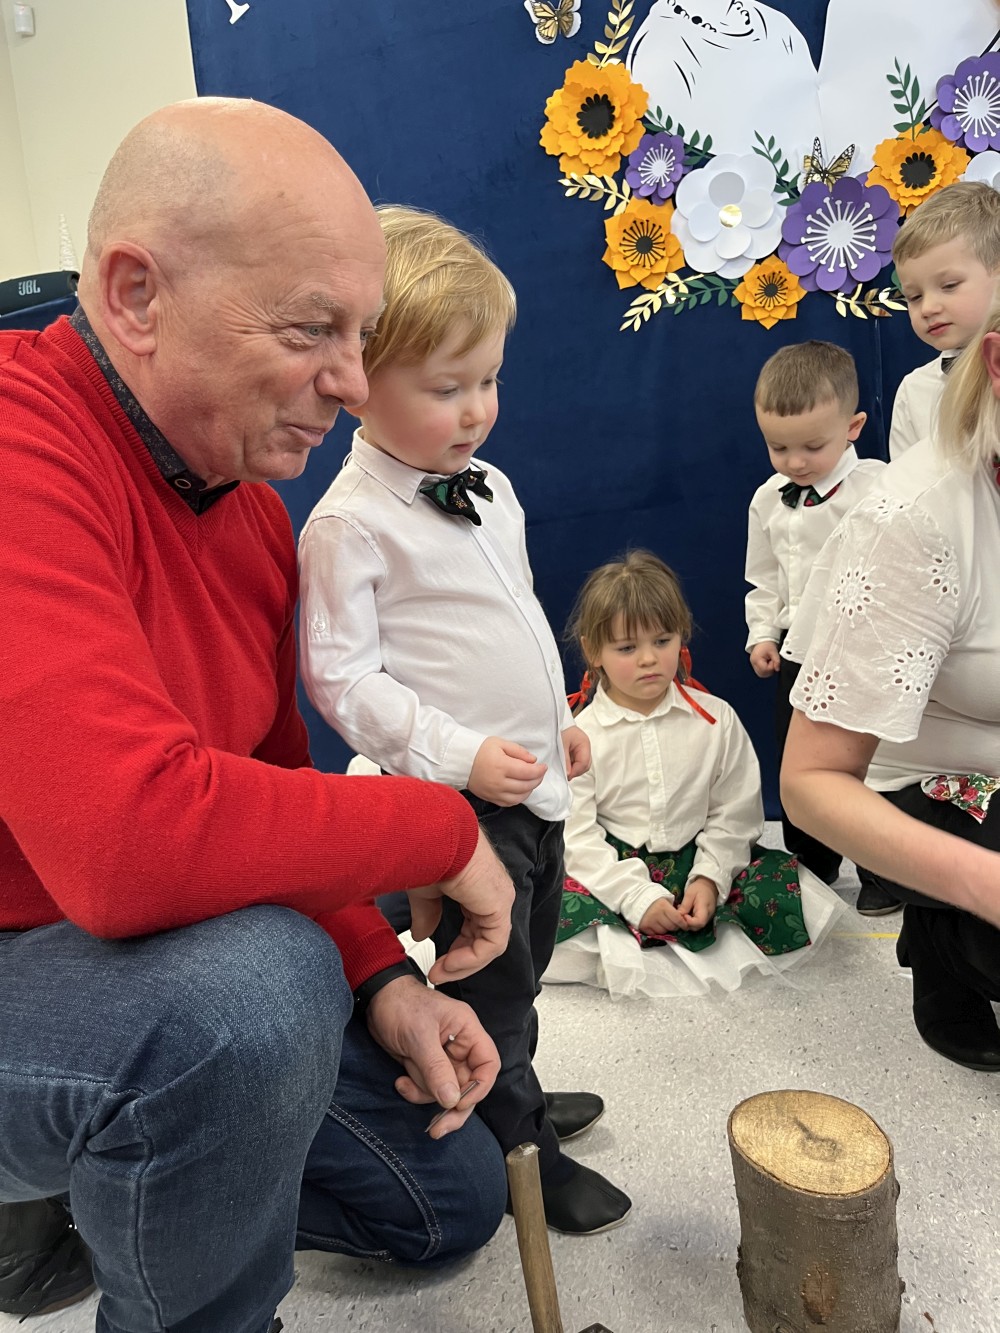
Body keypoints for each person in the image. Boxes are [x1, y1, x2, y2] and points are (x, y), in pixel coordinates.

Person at [0, 98, 519, 1332]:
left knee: (450, 1194)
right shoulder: (21, 448)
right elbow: (129, 843)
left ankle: (117, 1184)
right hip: (38, 938)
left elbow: (265, 779)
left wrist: (379, 977)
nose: (353, 384)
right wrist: (440, 829)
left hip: (126, 948)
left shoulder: (244, 509)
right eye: (310, 330)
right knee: (252, 996)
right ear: (136, 296)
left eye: (361, 336)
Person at [298, 206, 631, 1236]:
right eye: (447, 389)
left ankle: (516, 1082)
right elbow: (343, 683)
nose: (477, 409)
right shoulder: (349, 526)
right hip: (457, 809)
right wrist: (460, 753)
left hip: (530, 782)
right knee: (487, 981)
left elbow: (511, 620)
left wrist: (550, 717)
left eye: (489, 379)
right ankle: (519, 1144)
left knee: (527, 962)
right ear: (360, 377)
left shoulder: (491, 487)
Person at [781, 294, 1000, 1073]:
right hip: (942, 783)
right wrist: (985, 884)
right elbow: (810, 782)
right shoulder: (915, 517)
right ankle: (946, 936)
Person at [543, 551, 843, 998]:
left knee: (790, 896)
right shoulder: (578, 734)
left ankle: (683, 917)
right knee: (544, 923)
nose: (648, 659)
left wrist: (709, 878)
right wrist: (636, 897)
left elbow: (734, 814)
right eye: (627, 648)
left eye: (662, 641)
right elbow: (577, 836)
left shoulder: (716, 720)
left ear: (680, 635)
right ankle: (634, 932)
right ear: (593, 651)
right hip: (614, 868)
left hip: (695, 858)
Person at [744, 341, 886, 904]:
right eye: (778, 447)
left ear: (853, 428)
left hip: (861, 649)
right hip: (798, 652)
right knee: (799, 764)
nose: (795, 462)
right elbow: (764, 578)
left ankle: (881, 873)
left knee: (868, 762)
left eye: (812, 446)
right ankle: (812, 866)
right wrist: (762, 634)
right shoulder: (767, 499)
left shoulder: (877, 488)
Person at [889, 181, 1000, 461]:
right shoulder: (914, 391)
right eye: (914, 297)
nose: (927, 308)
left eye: (949, 286)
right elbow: (905, 481)